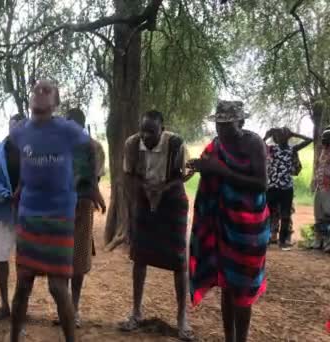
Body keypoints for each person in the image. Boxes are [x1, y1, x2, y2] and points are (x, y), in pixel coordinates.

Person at [8, 80, 105, 342]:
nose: (40, 92)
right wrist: (19, 186)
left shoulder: (68, 130)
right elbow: (17, 158)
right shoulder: (20, 132)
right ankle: (14, 337)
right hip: (29, 217)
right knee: (23, 285)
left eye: (47, 90)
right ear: (30, 99)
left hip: (60, 216)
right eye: (37, 89)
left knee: (58, 286)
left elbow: (89, 151)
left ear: (56, 101)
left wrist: (88, 185)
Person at [189, 100, 269, 342]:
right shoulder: (216, 146)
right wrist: (202, 167)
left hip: (249, 229)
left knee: (243, 289)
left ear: (241, 122)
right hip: (223, 224)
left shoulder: (253, 143)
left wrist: (221, 171)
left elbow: (261, 184)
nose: (222, 130)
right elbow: (210, 171)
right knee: (227, 284)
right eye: (219, 125)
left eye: (228, 125)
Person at [119, 110, 194, 340]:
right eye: (143, 129)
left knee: (179, 261)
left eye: (151, 131)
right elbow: (129, 175)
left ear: (162, 128)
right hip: (144, 200)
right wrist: (140, 199)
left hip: (172, 203)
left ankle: (182, 320)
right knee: (139, 257)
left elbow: (185, 174)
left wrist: (162, 190)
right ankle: (136, 312)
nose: (145, 135)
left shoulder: (176, 144)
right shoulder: (132, 144)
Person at [50, 108, 104, 328]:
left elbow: (93, 180)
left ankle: (74, 309)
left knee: (78, 262)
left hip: (81, 209)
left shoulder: (94, 148)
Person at [0, 113, 25, 320]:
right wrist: (9, 196)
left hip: (27, 213)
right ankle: (4, 305)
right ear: (9, 127)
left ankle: (20, 305)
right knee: (1, 258)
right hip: (3, 211)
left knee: (24, 261)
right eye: (14, 127)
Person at [263, 127, 312, 249]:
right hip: (273, 186)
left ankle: (283, 241)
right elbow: (258, 145)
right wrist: (266, 136)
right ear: (276, 138)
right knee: (268, 214)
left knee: (285, 215)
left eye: (285, 135)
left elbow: (309, 140)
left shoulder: (292, 149)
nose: (282, 137)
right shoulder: (272, 149)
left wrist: (295, 134)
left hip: (286, 188)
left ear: (288, 137)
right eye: (279, 135)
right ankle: (267, 238)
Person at [312, 127, 330, 252]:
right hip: (320, 187)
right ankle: (319, 241)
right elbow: (319, 167)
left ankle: (328, 243)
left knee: (328, 215)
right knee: (319, 216)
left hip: (328, 188)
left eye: (326, 140)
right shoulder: (323, 151)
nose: (324, 142)